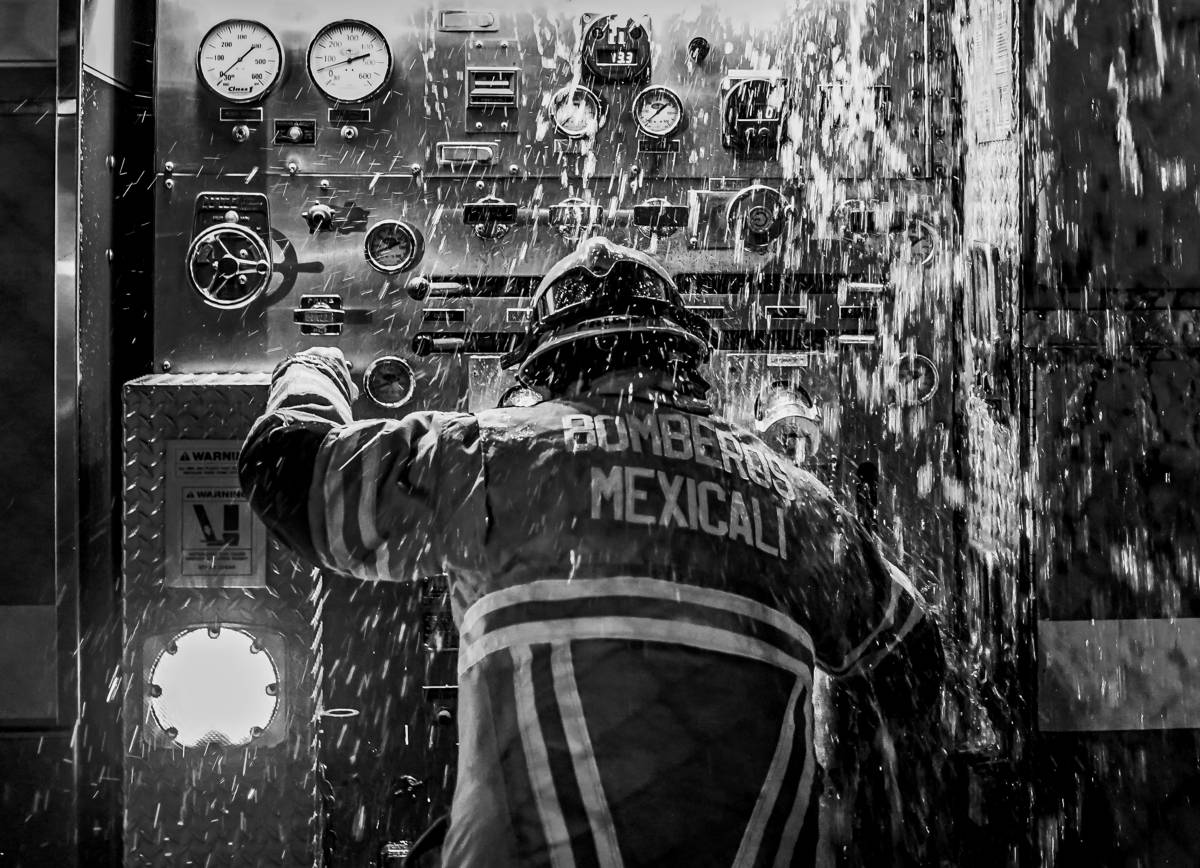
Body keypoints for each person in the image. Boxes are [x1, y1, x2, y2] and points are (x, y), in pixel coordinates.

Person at [239, 237, 944, 867]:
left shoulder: (491, 456)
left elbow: (287, 471)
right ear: (681, 360)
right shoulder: (795, 500)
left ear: (545, 370)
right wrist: (858, 813)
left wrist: (312, 371)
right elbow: (908, 653)